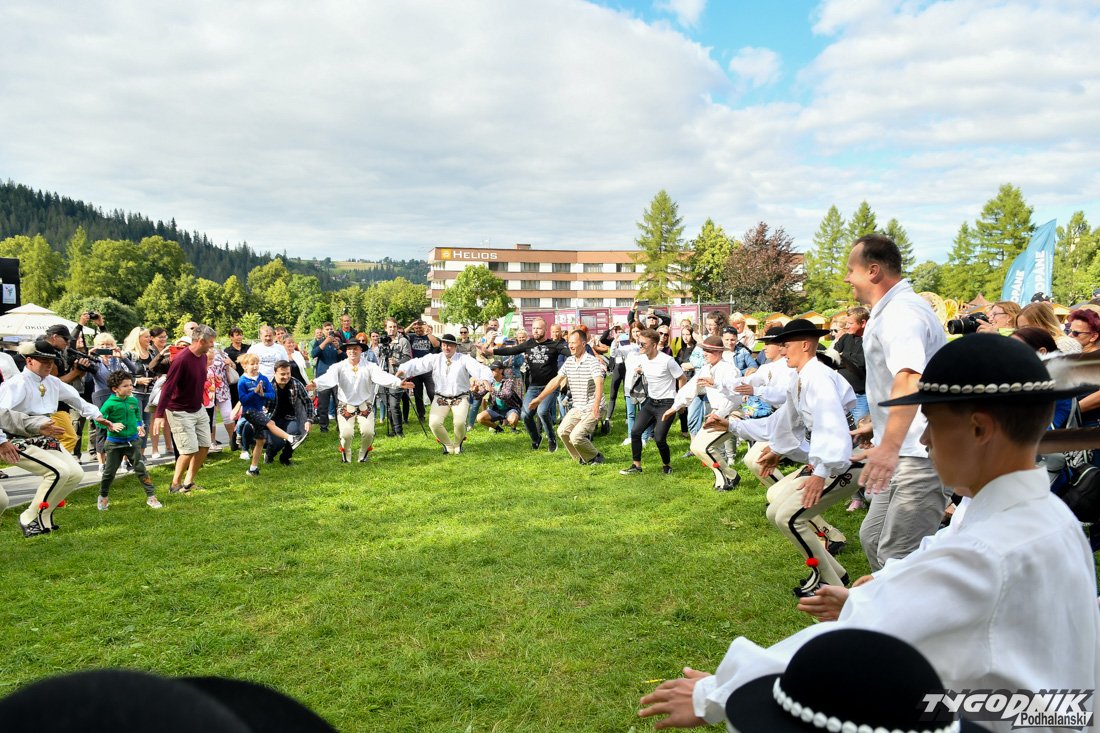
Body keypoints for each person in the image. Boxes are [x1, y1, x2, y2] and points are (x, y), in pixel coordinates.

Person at [639, 334, 1100, 733]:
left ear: (979, 428)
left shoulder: (988, 550)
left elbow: (868, 635)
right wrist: (874, 586)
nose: (925, 441)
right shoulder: (1041, 516)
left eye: (933, 425)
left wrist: (719, 691)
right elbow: (939, 556)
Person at [844, 233, 948, 572]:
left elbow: (910, 377)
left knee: (898, 559)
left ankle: (924, 604)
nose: (847, 278)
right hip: (902, 449)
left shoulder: (901, 312)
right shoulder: (889, 311)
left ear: (873, 271)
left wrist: (887, 445)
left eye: (851, 270)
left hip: (919, 454)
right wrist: (878, 427)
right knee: (873, 539)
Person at [0, 341, 118, 535]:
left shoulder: (52, 382)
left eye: (52, 361)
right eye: (44, 361)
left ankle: (44, 517)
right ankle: (29, 517)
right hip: (16, 438)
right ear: (29, 361)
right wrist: (2, 442)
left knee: (75, 474)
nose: (49, 365)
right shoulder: (15, 384)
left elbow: (76, 399)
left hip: (45, 436)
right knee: (58, 472)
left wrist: (97, 415)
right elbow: (1, 415)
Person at [312, 338, 408, 463]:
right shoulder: (338, 367)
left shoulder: (370, 366)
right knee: (346, 434)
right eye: (349, 349)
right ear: (346, 351)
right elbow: (329, 377)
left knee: (368, 433)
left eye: (355, 348)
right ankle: (346, 454)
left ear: (361, 350)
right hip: (345, 404)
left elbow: (382, 376)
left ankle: (363, 455)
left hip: (365, 404)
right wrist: (316, 383)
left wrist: (399, 383)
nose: (352, 351)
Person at [665, 336, 741, 490]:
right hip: (716, 413)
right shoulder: (706, 369)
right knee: (696, 447)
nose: (704, 353)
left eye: (709, 351)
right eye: (704, 350)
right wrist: (675, 407)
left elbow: (735, 397)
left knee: (705, 447)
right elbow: (691, 387)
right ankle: (730, 475)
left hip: (731, 414)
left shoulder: (729, 370)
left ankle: (726, 479)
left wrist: (719, 414)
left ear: (719, 352)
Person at [398, 334, 493, 454]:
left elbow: (479, 368)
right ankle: (448, 445)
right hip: (441, 398)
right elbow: (418, 363)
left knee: (459, 423)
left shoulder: (464, 359)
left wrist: (485, 379)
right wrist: (403, 370)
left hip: (460, 397)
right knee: (434, 423)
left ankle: (458, 444)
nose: (446, 348)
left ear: (455, 347)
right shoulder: (435, 358)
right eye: (444, 345)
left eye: (449, 345)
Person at [485, 318, 570, 453]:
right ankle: (536, 438)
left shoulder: (554, 345)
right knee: (525, 415)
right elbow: (512, 350)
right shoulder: (529, 344)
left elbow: (571, 353)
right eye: (534, 328)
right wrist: (492, 351)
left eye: (539, 328)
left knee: (542, 411)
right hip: (533, 387)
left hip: (550, 387)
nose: (535, 331)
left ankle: (551, 439)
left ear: (545, 330)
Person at [155, 325, 219, 494]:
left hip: (198, 408)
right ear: (201, 341)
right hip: (179, 410)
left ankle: (188, 482)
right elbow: (168, 387)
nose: (212, 345)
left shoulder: (203, 357)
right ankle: (175, 485)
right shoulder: (181, 359)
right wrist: (159, 414)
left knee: (205, 445)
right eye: (211, 342)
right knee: (188, 450)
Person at [529, 330, 606, 465]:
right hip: (578, 407)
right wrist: (539, 399)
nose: (570, 346)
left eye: (573, 343)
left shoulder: (592, 362)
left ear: (583, 344)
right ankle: (581, 458)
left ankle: (596, 457)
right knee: (562, 431)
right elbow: (556, 381)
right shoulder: (569, 361)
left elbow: (599, 383)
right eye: (569, 342)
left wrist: (596, 406)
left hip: (594, 406)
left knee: (576, 436)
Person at [620, 328, 685, 475]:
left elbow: (682, 378)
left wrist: (680, 402)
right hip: (651, 402)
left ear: (654, 345)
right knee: (635, 432)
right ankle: (636, 466)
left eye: (643, 344)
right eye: (639, 343)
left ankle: (666, 465)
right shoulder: (643, 358)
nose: (640, 346)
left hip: (667, 403)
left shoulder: (667, 361)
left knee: (659, 438)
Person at [234, 354, 306, 476]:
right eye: (252, 364)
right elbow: (243, 400)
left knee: (260, 441)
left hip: (260, 411)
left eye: (257, 363)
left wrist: (263, 395)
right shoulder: (242, 381)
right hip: (249, 411)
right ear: (244, 366)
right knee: (271, 423)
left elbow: (272, 395)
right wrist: (255, 392)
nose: (255, 366)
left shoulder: (262, 378)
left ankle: (253, 469)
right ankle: (291, 438)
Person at [97, 370, 160, 510]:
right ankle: (103, 496)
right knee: (109, 473)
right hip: (114, 444)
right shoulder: (109, 404)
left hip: (133, 442)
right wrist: (110, 425)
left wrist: (139, 426)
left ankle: (151, 496)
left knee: (141, 470)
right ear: (115, 389)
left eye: (131, 385)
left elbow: (137, 415)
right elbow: (98, 421)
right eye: (125, 386)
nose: (130, 388)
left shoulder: (133, 401)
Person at [263, 360, 316, 465]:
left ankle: (285, 458)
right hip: (271, 420)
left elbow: (308, 402)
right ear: (275, 373)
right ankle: (269, 454)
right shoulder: (267, 386)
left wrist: (309, 420)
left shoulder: (296, 383)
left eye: (288, 373)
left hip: (289, 418)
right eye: (282, 374)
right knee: (277, 443)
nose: (286, 377)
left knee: (297, 435)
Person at [826, 305, 868, 421]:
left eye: (850, 323)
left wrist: (843, 356)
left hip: (860, 396)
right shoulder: (845, 338)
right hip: (841, 395)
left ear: (863, 323)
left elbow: (861, 362)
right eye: (846, 323)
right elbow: (832, 358)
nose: (847, 326)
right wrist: (847, 359)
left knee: (859, 427)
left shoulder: (870, 339)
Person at [379, 318, 413, 437]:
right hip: (384, 377)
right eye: (390, 327)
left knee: (394, 405)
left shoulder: (403, 341)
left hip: (397, 377)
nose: (392, 329)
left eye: (394, 326)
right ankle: (393, 430)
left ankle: (399, 432)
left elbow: (408, 358)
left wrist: (397, 362)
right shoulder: (383, 342)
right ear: (386, 328)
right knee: (388, 405)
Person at [404, 319, 440, 424]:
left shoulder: (429, 337)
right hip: (416, 369)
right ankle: (421, 415)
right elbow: (402, 334)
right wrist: (411, 324)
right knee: (417, 394)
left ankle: (436, 413)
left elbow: (436, 345)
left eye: (420, 327)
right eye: (416, 328)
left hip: (428, 369)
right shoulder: (411, 337)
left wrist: (427, 332)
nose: (418, 329)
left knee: (432, 392)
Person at [311, 322, 345, 433]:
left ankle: (340, 426)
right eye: (327, 329)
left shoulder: (338, 342)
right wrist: (325, 342)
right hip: (323, 377)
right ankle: (323, 427)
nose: (329, 331)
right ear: (323, 331)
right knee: (323, 404)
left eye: (331, 329)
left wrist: (338, 347)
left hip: (336, 377)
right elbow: (313, 354)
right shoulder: (319, 342)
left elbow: (345, 358)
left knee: (338, 403)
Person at [474, 360, 522, 433]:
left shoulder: (508, 381)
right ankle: (498, 429)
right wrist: (474, 391)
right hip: (495, 410)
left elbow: (506, 395)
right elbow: (477, 397)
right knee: (479, 418)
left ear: (501, 370)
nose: (491, 371)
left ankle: (513, 429)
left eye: (493, 369)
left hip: (510, 409)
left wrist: (492, 390)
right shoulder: (491, 382)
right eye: (490, 369)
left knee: (513, 419)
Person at [1016, 301, 1080, 354]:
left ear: (1045, 323)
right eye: (1020, 328)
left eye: (1027, 327)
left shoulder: (1064, 344)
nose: (1023, 332)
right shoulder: (1027, 346)